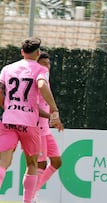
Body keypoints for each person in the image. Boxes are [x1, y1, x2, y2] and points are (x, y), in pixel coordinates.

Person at [0, 37, 62, 203]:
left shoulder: (7, 68)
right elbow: (42, 85)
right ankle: (27, 201)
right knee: (32, 164)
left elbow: (0, 90)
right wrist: (54, 109)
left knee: (2, 163)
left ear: (21, 52)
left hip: (8, 121)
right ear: (38, 53)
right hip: (29, 123)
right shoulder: (40, 70)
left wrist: (6, 107)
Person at [32, 52, 63, 201]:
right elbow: (34, 108)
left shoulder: (46, 81)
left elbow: (48, 103)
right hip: (37, 128)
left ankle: (34, 191)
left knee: (57, 162)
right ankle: (31, 195)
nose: (47, 67)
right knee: (40, 163)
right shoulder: (36, 82)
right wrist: (51, 116)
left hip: (46, 129)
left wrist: (56, 119)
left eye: (48, 64)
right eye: (43, 64)